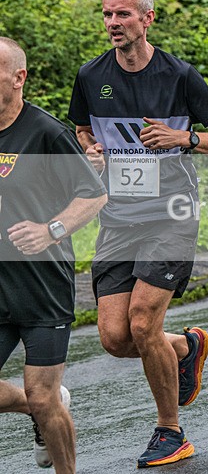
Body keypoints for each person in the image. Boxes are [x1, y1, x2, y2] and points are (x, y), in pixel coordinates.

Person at [68, 0, 208, 467]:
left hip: (171, 215)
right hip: (118, 218)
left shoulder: (179, 75)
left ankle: (171, 430)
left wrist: (184, 138)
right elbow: (82, 129)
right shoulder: (91, 75)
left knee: (144, 322)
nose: (112, 23)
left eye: (123, 14)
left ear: (147, 19)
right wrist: (91, 149)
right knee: (115, 338)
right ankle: (185, 347)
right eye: (107, 15)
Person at [0, 37, 107, 473]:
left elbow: (93, 195)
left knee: (44, 396)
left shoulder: (46, 133)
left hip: (41, 285)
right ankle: (36, 407)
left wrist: (50, 230)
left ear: (18, 78)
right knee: (39, 400)